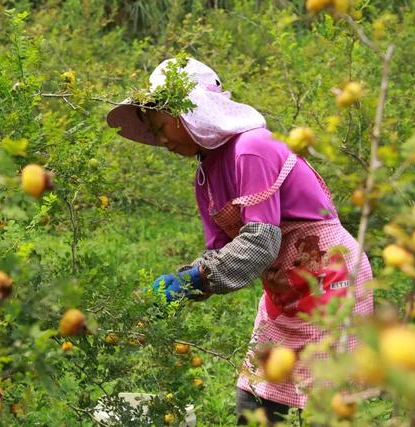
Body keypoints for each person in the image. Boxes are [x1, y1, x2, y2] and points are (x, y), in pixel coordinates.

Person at [106, 58, 374, 425]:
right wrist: (184, 282)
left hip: (329, 279)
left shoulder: (252, 147)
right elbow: (220, 253)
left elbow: (260, 242)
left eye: (161, 125)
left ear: (191, 111)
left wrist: (193, 280)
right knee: (256, 398)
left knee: (325, 405)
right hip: (283, 292)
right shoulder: (206, 176)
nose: (160, 138)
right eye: (153, 131)